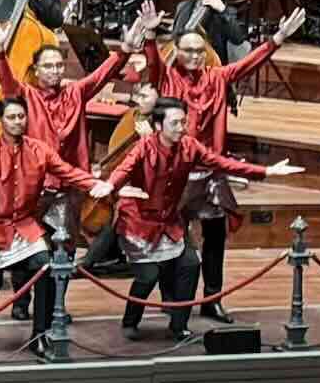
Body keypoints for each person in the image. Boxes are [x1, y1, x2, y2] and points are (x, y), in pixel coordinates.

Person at [140, 0, 306, 322]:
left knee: (215, 238)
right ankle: (171, 298)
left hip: (210, 173)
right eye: (188, 51)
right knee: (172, 239)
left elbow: (248, 65)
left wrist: (277, 39)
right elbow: (153, 63)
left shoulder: (217, 77)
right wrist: (148, 36)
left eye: (199, 51)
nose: (195, 56)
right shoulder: (167, 78)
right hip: (175, 174)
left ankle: (212, 299)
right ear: (177, 51)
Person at [101, 98, 301, 340]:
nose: (181, 128)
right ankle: (130, 321)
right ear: (158, 126)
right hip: (139, 222)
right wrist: (111, 186)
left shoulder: (190, 146)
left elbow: (222, 163)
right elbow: (123, 169)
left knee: (190, 265)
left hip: (169, 222)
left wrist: (266, 171)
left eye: (183, 122)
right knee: (149, 275)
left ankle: (179, 325)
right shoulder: (144, 147)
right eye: (175, 123)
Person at [0, 95, 113, 357]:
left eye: (21, 116)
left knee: (44, 268)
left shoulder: (40, 149)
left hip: (25, 224)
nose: (17, 121)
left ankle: (40, 334)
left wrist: (96, 184)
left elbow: (67, 171)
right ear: (0, 120)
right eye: (11, 117)